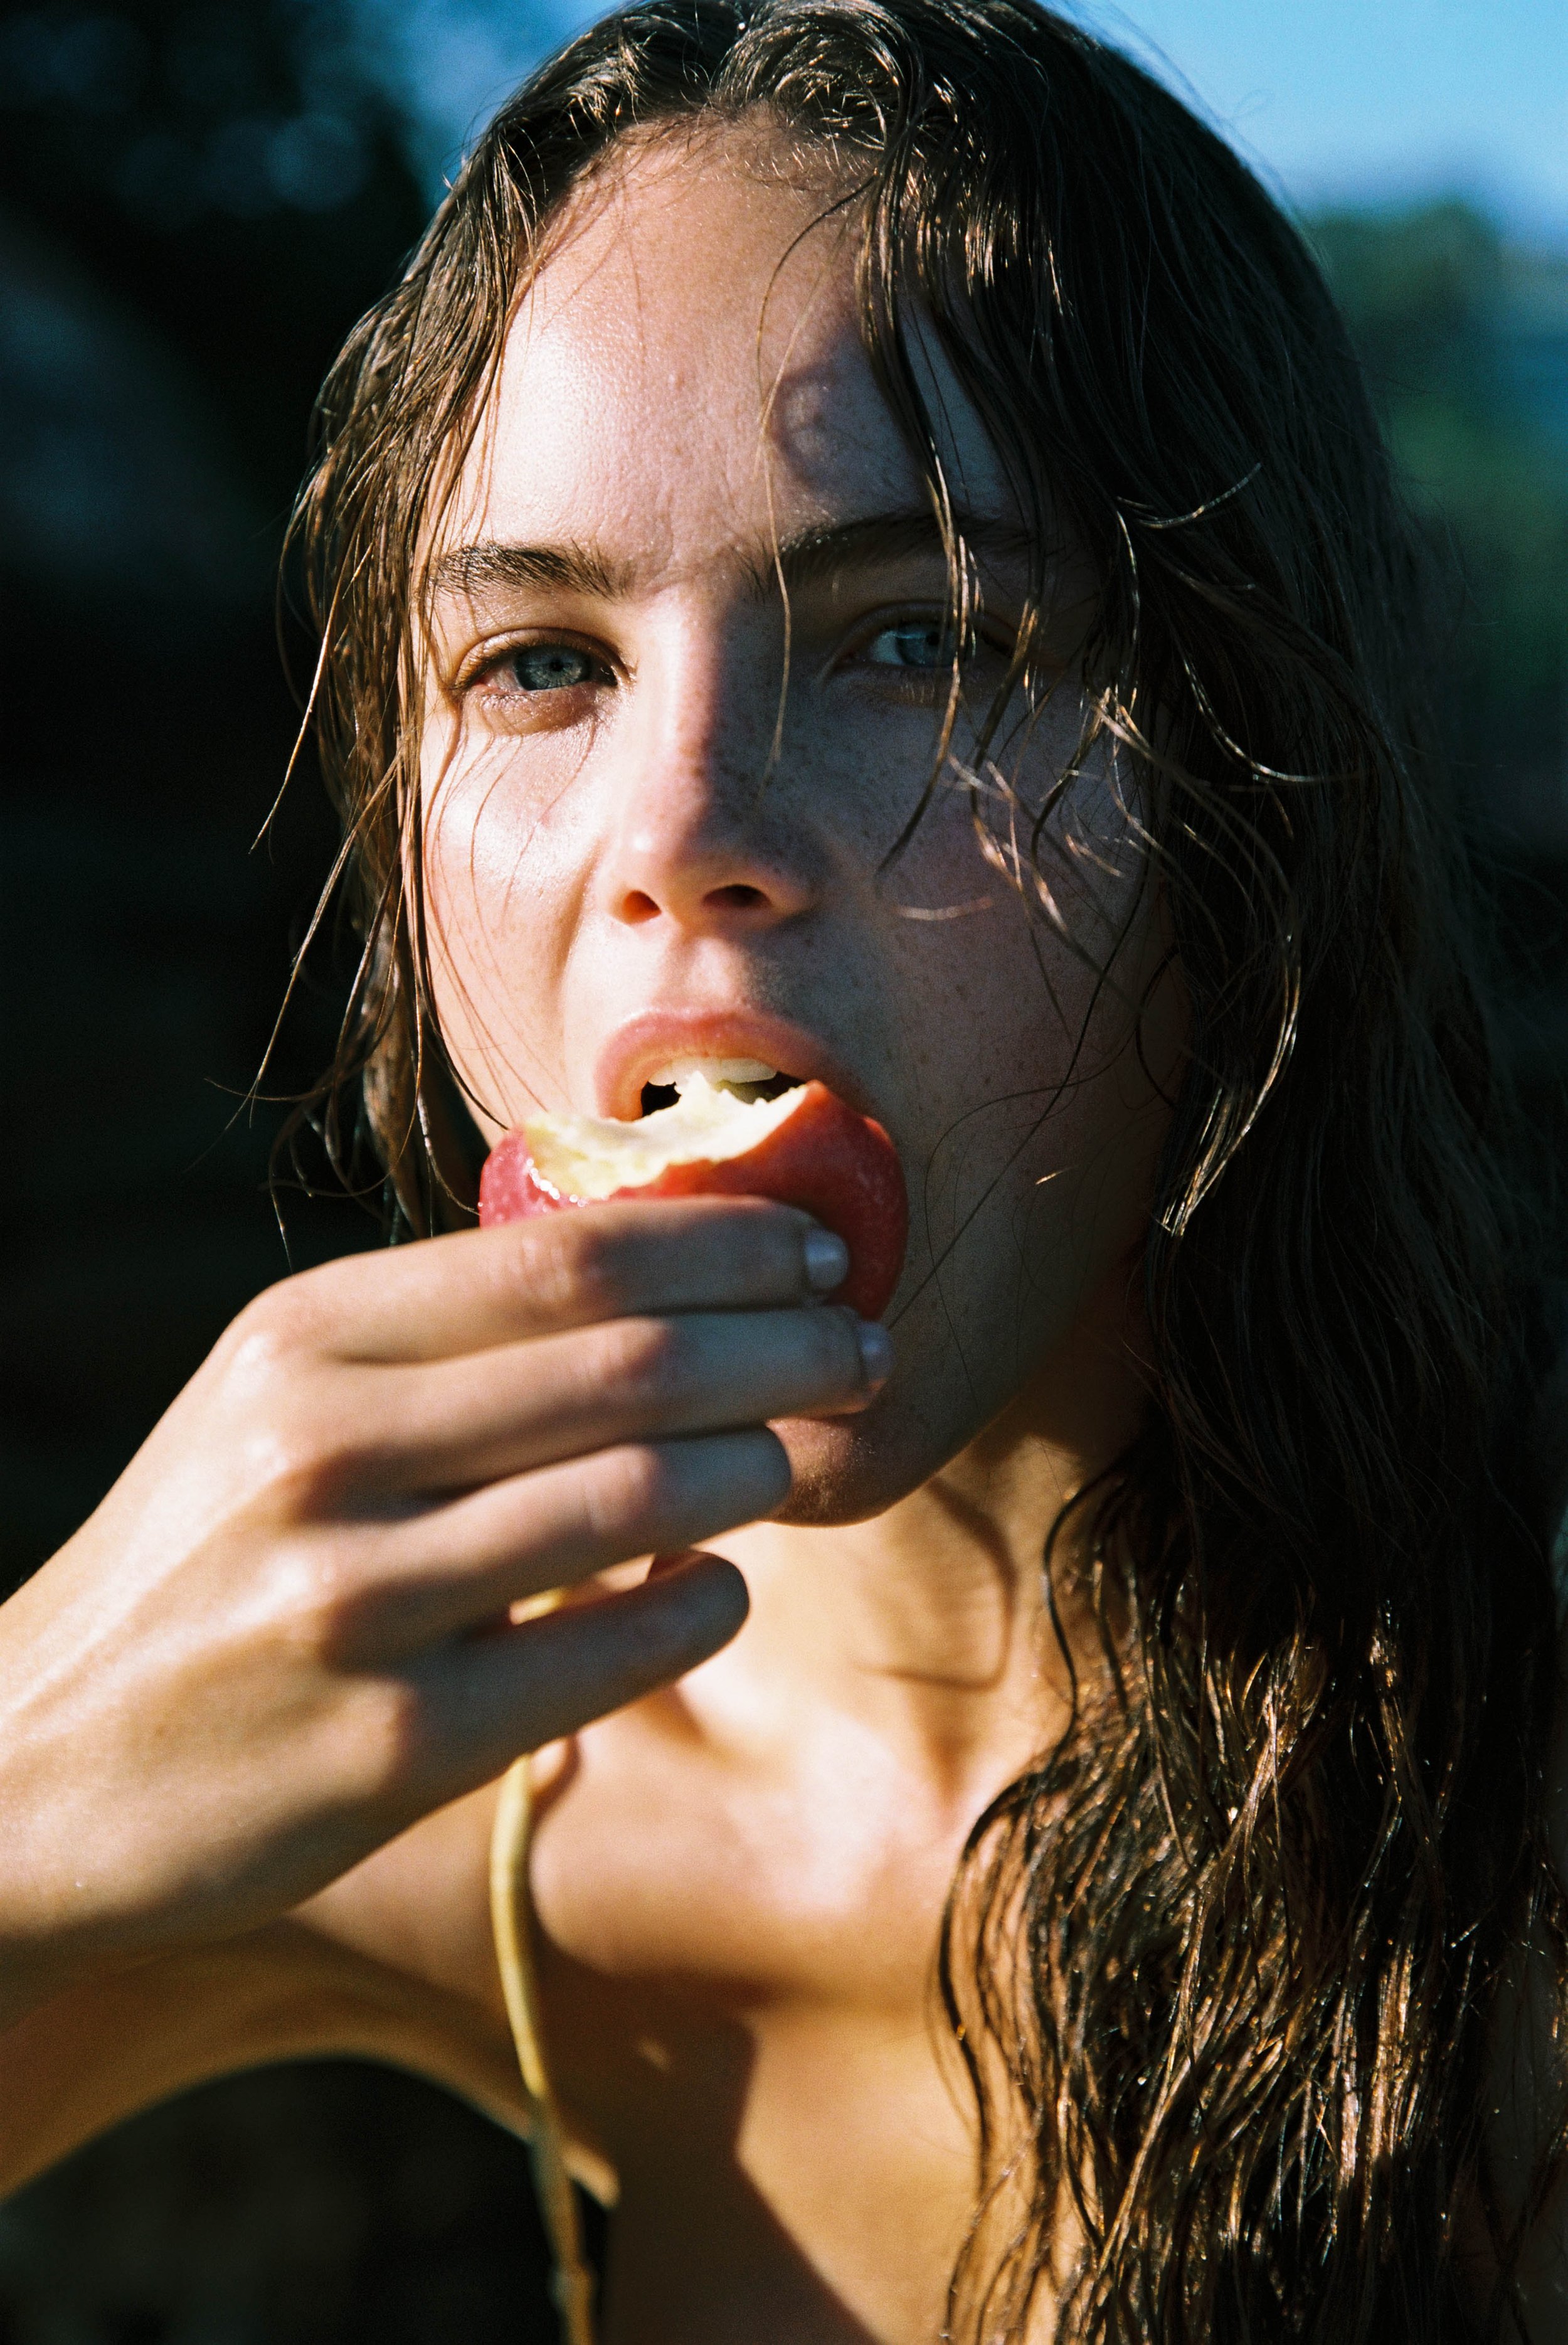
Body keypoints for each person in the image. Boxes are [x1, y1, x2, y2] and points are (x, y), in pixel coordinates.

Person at [3, 1, 1565, 2336]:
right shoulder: (419, 1781)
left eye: (920, 636)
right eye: (535, 663)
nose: (682, 841)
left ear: (1258, 795)